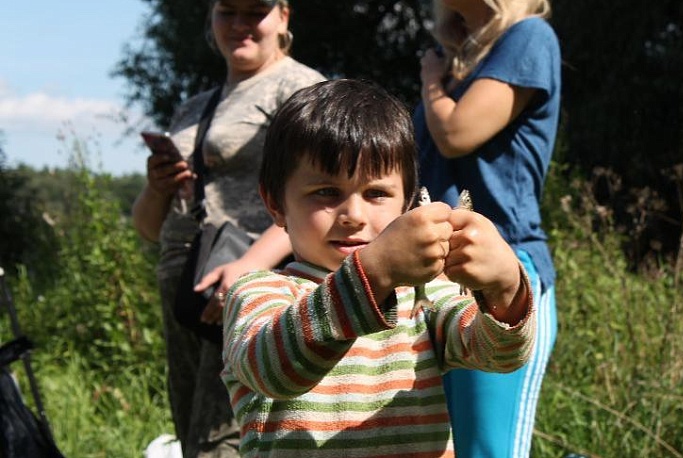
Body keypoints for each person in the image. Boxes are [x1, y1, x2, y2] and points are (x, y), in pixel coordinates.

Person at [219, 79, 538, 457]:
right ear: (275, 203)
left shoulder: (425, 297)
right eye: (325, 192)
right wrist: (374, 272)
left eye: (376, 194)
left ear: (407, 203)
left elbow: (500, 355)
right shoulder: (259, 293)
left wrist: (504, 287)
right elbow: (273, 370)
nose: (354, 215)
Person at [131, 1, 324, 456]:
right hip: (186, 287)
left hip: (247, 284)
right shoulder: (194, 108)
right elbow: (147, 227)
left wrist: (249, 267)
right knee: (193, 434)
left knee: (227, 436)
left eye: (253, 11)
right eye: (226, 11)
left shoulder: (300, 89)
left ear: (283, 17)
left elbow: (320, 197)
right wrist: (158, 188)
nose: (238, 24)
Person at [413, 0, 561, 456]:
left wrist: (431, 82)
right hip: (432, 279)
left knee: (485, 451)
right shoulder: (454, 61)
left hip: (497, 275)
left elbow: (456, 133)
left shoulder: (529, 37)